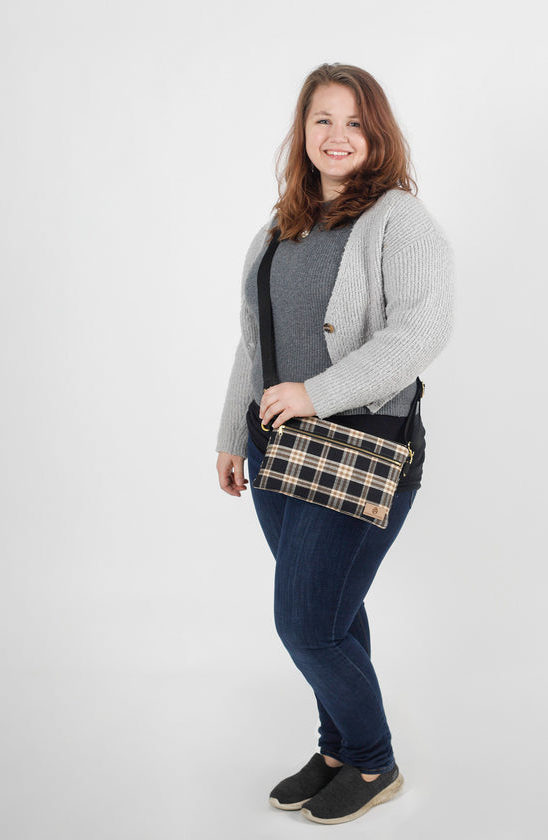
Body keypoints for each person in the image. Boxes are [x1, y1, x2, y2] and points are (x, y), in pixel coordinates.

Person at [216, 63, 453, 825]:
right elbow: (254, 349)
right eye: (323, 119)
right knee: (335, 612)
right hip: (274, 453)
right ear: (303, 132)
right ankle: (336, 750)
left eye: (354, 121)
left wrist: (316, 396)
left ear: (376, 133)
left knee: (307, 622)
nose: (338, 135)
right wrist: (230, 433)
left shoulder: (398, 222)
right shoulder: (278, 230)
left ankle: (375, 761)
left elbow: (420, 333)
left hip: (363, 449)